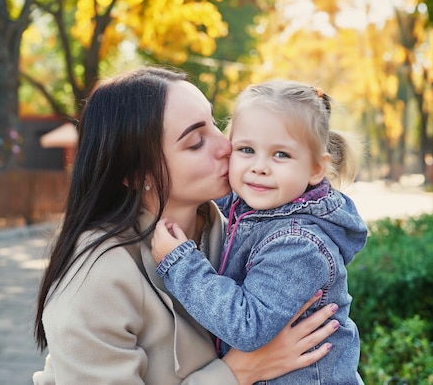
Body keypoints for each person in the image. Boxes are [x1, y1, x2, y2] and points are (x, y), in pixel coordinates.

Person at [32, 67, 341, 385]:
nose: (225, 146)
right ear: (139, 175)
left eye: (217, 125)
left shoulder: (238, 229)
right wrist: (237, 373)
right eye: (196, 142)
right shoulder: (94, 278)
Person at [152, 80, 368, 384]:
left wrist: (180, 264)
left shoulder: (298, 244)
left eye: (281, 154)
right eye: (246, 149)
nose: (260, 167)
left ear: (316, 169)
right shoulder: (263, 206)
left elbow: (247, 326)